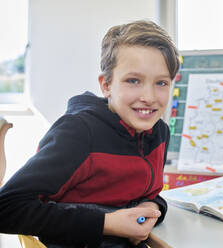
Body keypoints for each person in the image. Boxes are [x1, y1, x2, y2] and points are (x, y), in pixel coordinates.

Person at [0, 20, 180, 247]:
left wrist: (152, 208)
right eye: (133, 81)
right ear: (106, 85)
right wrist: (107, 222)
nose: (149, 96)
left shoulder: (159, 133)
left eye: (161, 83)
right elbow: (6, 208)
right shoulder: (78, 134)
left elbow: (148, 193)